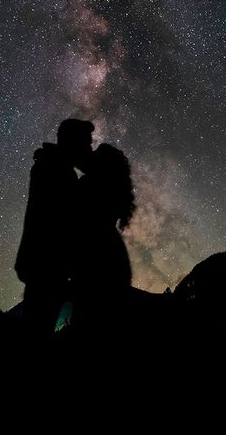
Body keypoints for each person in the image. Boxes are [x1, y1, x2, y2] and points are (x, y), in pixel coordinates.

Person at [14, 118, 95, 339]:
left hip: (45, 266)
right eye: (86, 143)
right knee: (37, 329)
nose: (89, 148)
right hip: (47, 266)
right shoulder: (56, 171)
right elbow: (62, 222)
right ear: (73, 143)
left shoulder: (54, 167)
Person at [71, 143, 136, 334]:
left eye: (96, 155)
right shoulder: (114, 186)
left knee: (88, 321)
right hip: (113, 255)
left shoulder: (91, 184)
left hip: (94, 257)